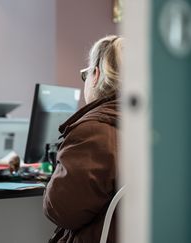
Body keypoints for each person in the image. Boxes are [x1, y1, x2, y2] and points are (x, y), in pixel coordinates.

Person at [43, 35, 122, 243]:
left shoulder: (93, 131)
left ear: (95, 75)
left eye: (85, 75)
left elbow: (61, 211)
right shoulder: (153, 129)